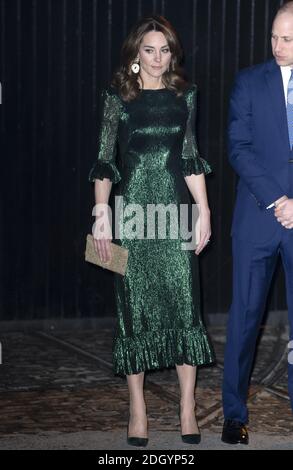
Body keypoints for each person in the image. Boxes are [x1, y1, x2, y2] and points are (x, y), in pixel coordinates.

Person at [88, 15, 214, 447]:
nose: (158, 58)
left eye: (165, 50)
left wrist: (205, 212)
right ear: (135, 55)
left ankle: (187, 407)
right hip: (131, 218)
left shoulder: (185, 95)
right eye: (149, 50)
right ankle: (136, 409)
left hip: (175, 215)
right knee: (133, 311)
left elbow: (191, 156)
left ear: (172, 53)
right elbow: (105, 159)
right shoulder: (118, 97)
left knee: (184, 307)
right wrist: (101, 212)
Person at [222, 2, 293, 445]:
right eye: (274, 37)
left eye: (287, 39)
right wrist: (281, 199)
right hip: (258, 216)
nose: (277, 46)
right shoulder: (249, 81)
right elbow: (238, 148)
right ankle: (234, 414)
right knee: (244, 318)